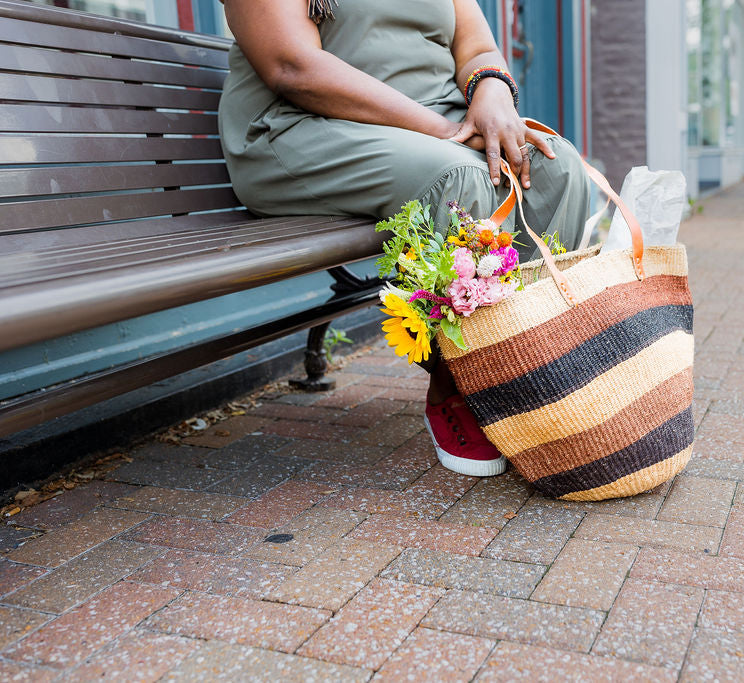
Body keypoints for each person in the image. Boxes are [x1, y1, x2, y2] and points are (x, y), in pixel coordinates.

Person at [219, 0, 591, 477]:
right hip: (301, 129)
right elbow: (292, 66)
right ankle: (455, 385)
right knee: (459, 179)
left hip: (433, 125)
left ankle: (523, 364)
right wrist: (446, 133)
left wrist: (492, 92)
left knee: (557, 166)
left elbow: (476, 47)